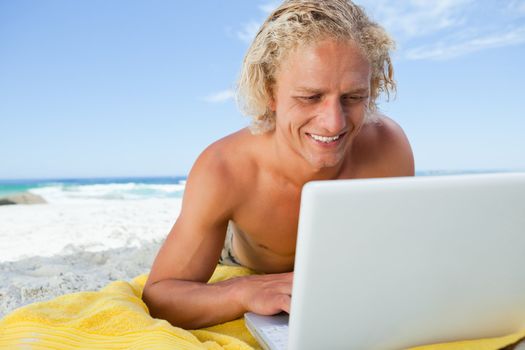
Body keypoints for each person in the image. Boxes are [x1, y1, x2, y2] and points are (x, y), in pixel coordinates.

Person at [142, 0, 414, 329]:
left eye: (353, 97)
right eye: (310, 97)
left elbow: (396, 253)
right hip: (238, 254)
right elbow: (160, 296)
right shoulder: (224, 169)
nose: (333, 122)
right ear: (270, 92)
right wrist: (242, 290)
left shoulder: (388, 148)